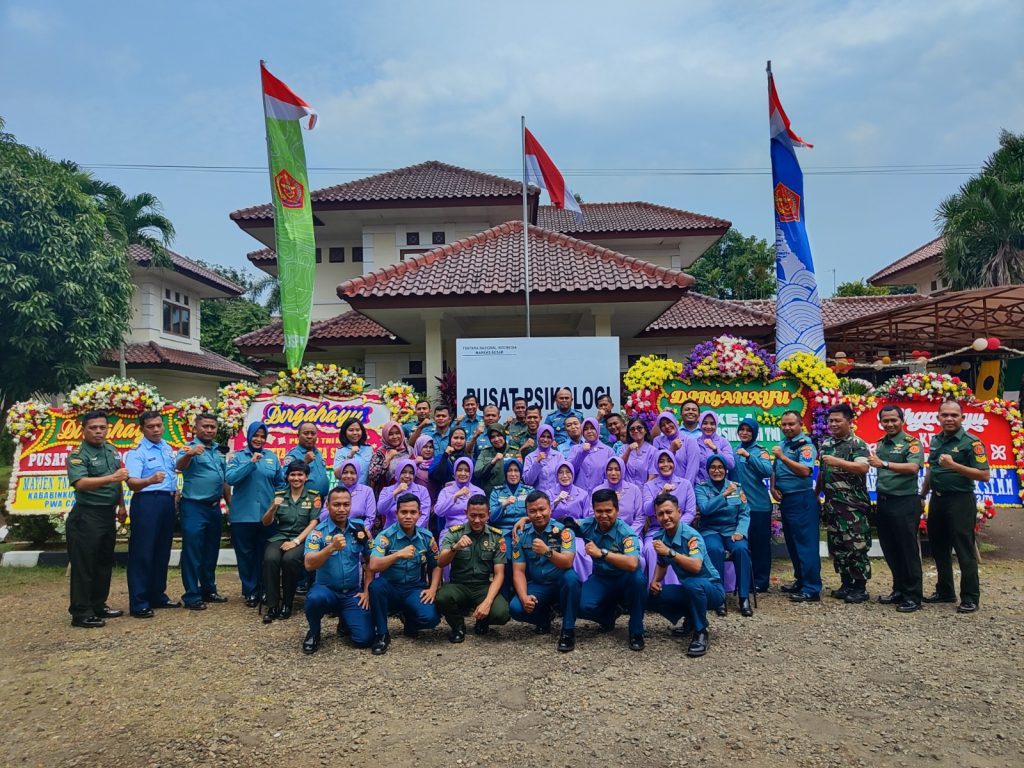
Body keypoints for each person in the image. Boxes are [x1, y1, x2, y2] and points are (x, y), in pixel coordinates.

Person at [920, 399, 990, 613]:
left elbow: (984, 475)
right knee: (939, 547)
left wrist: (954, 465)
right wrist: (922, 494)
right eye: (945, 415)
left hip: (960, 500)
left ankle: (970, 597)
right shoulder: (936, 440)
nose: (949, 419)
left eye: (954, 415)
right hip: (938, 500)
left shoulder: (972, 442)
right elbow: (932, 470)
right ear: (938, 417)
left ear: (962, 418)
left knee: (963, 549)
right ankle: (945, 591)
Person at [65, 410, 127, 628]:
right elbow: (80, 483)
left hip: (107, 513)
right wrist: (112, 477)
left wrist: (121, 505)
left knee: (103, 562)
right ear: (83, 430)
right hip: (86, 515)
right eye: (93, 427)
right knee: (85, 565)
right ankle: (81, 612)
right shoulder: (77, 454)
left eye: (102, 427)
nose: (98, 431)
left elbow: (117, 481)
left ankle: (98, 604)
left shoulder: (111, 450)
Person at [648, 493, 725, 657]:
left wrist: (670, 552)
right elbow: (662, 564)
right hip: (690, 588)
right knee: (652, 594)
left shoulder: (692, 536)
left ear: (679, 512)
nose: (665, 517)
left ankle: (701, 632)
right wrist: (655, 581)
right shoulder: (659, 537)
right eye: (660, 514)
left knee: (692, 583)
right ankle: (691, 618)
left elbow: (696, 566)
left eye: (669, 512)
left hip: (712, 590)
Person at [301, 486, 374, 654]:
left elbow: (372, 561)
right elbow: (309, 564)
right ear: (327, 505)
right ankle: (314, 631)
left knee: (364, 639)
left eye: (346, 504)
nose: (342, 509)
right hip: (326, 590)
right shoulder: (318, 532)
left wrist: (367, 590)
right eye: (337, 504)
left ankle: (345, 620)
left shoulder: (360, 529)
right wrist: (330, 548)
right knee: (314, 599)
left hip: (352, 593)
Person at [367, 494, 442, 655]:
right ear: (396, 514)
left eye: (413, 512)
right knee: (376, 587)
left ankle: (409, 620)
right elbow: (373, 565)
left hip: (414, 588)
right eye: (404, 512)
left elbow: (437, 565)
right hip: (390, 587)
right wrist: (397, 555)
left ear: (419, 514)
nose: (408, 516)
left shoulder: (426, 537)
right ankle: (382, 633)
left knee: (431, 619)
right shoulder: (386, 536)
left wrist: (433, 589)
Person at [867, 405, 925, 612]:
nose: (890, 424)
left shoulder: (912, 443)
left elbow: (913, 468)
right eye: (886, 420)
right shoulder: (882, 444)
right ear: (881, 422)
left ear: (902, 420)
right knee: (890, 549)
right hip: (884, 502)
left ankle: (913, 596)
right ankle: (899, 589)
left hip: (904, 502)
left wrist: (884, 464)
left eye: (894, 420)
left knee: (907, 550)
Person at [508, 491, 581, 652]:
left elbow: (568, 562)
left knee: (572, 579)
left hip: (560, 581)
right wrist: (524, 596)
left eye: (542, 509)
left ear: (550, 509)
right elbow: (518, 571)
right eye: (532, 511)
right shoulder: (521, 535)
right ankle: (544, 619)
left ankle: (568, 631)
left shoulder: (563, 531)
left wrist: (547, 552)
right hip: (539, 585)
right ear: (527, 513)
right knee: (516, 608)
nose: (538, 514)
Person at [125, 410, 180, 618]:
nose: (156, 430)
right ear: (142, 429)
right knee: (143, 552)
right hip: (147, 501)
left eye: (159, 425)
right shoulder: (137, 452)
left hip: (166, 501)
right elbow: (132, 483)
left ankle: (157, 594)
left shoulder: (166, 447)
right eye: (151, 426)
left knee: (161, 551)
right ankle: (139, 602)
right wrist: (149, 480)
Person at [575, 489, 646, 651]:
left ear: (617, 510)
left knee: (639, 580)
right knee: (580, 605)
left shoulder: (626, 533)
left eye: (609, 511)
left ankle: (636, 631)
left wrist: (602, 553)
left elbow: (633, 563)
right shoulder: (588, 525)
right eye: (599, 511)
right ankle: (609, 615)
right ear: (593, 511)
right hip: (601, 577)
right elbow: (562, 523)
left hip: (625, 577)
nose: (604, 515)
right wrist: (525, 519)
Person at [435, 496, 511, 641]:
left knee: (502, 613)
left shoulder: (496, 537)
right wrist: (455, 548)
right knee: (442, 597)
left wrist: (487, 603)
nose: (477, 520)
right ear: (466, 513)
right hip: (459, 585)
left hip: (482, 586)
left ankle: (482, 620)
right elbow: (441, 563)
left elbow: (499, 574)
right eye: (473, 515)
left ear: (488, 514)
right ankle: (458, 627)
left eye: (482, 516)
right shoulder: (455, 533)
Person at [818, 403, 872, 604]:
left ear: (849, 421)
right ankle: (846, 582)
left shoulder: (857, 444)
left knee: (855, 546)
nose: (833, 424)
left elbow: (862, 467)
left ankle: (860, 587)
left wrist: (838, 462)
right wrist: (817, 494)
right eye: (830, 420)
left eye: (837, 420)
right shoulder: (826, 444)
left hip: (852, 506)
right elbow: (824, 473)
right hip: (833, 506)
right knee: (838, 546)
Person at [176, 413, 231, 611]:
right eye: (205, 426)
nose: (209, 430)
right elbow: (178, 467)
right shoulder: (187, 447)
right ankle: (191, 595)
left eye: (212, 427)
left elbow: (223, 479)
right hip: (193, 506)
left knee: (210, 551)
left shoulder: (218, 450)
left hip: (214, 507)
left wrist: (230, 504)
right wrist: (190, 454)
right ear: (196, 428)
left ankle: (209, 589)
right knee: (193, 551)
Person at [225, 421, 282, 608]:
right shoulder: (237, 457)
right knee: (246, 555)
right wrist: (250, 463)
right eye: (255, 435)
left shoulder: (272, 458)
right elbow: (231, 478)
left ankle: (266, 590)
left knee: (266, 555)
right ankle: (250, 591)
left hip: (267, 516)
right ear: (249, 436)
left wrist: (278, 503)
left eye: (262, 436)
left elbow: (280, 483)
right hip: (243, 516)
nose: (259, 439)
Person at [771, 410, 820, 604]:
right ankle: (801, 580)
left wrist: (783, 457)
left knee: (805, 544)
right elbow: (775, 469)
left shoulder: (805, 445)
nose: (787, 428)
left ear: (800, 424)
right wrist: (773, 487)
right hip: (786, 499)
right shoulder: (783, 444)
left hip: (802, 499)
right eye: (784, 424)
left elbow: (805, 471)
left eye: (791, 424)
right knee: (792, 543)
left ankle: (812, 588)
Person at [261, 461, 320, 623]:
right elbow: (266, 522)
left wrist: (295, 541)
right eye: (292, 474)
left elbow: (314, 523)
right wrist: (273, 507)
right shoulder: (279, 494)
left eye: (300, 474)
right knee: (270, 558)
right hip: (280, 537)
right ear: (287, 477)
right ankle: (273, 606)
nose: (296, 478)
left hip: (302, 539)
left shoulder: (314, 496)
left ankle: (287, 604)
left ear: (306, 477)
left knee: (289, 560)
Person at [695, 455, 754, 617]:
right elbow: (705, 509)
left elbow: (744, 513)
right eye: (713, 467)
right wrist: (724, 495)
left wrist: (740, 532)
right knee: (714, 549)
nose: (717, 470)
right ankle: (719, 597)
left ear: (726, 470)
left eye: (720, 467)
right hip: (710, 530)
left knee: (741, 550)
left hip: (732, 530)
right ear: (708, 470)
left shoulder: (737, 487)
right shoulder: (701, 488)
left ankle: (743, 597)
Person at [731, 418, 774, 593]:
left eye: (749, 430)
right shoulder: (734, 451)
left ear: (754, 433)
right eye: (742, 429)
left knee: (760, 545)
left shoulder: (760, 451)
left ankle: (761, 581)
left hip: (759, 506)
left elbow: (767, 471)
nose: (745, 433)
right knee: (742, 544)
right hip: (739, 507)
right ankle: (744, 580)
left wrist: (748, 457)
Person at [642, 449, 697, 584]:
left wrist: (676, 528)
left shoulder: (685, 484)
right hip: (656, 531)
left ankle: (678, 591)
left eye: (669, 461)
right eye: (661, 461)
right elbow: (647, 510)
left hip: (681, 531)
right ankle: (655, 589)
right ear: (656, 465)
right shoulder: (649, 486)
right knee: (650, 548)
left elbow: (690, 512)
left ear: (674, 463)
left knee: (678, 547)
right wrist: (661, 493)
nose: (665, 464)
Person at [591, 457, 645, 537]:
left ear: (622, 470)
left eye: (617, 469)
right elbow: (592, 514)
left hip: (630, 534)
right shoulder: (597, 490)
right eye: (610, 469)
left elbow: (640, 517)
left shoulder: (634, 490)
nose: (613, 473)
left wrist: (627, 534)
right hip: (604, 535)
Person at [435, 457, 485, 543]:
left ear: (471, 473)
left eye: (466, 470)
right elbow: (438, 512)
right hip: (450, 532)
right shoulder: (446, 491)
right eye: (459, 470)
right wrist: (455, 496)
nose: (463, 473)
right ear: (454, 472)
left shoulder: (479, 491)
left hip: (473, 532)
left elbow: (484, 516)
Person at [378, 460, 432, 529]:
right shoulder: (387, 490)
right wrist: (395, 493)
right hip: (391, 533)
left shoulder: (422, 491)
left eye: (411, 473)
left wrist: (412, 531)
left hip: (415, 533)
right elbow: (381, 510)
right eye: (403, 472)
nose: (407, 476)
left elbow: (424, 515)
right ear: (398, 472)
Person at [651, 411, 700, 485]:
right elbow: (656, 468)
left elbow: (692, 471)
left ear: (675, 422)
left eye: (669, 422)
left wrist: (684, 489)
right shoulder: (658, 441)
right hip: (663, 488)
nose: (667, 426)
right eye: (663, 425)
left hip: (685, 487)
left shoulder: (690, 442)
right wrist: (671, 451)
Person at [284, 422, 330, 499]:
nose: (309, 436)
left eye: (313, 434)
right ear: (298, 436)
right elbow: (285, 477)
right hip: (303, 501)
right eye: (306, 433)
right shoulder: (293, 454)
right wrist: (304, 462)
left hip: (322, 501)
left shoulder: (318, 453)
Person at [569, 418, 615, 491]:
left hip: (600, 496)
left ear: (597, 429)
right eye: (586, 429)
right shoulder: (575, 449)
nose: (589, 431)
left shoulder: (608, 451)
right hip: (579, 496)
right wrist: (582, 452)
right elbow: (570, 471)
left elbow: (611, 475)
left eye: (592, 428)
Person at [367, 420, 411, 493]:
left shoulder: (409, 450)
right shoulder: (380, 453)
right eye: (390, 434)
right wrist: (387, 460)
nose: (395, 437)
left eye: (397, 433)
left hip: (407, 494)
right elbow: (373, 477)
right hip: (386, 494)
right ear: (385, 435)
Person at [331, 459, 377, 529]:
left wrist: (360, 532)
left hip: (360, 532)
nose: (348, 476)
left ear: (358, 474)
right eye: (345, 472)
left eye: (352, 473)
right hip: (337, 530)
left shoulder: (367, 491)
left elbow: (370, 518)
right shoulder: (335, 492)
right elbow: (323, 515)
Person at [694, 411, 735, 483]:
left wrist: (715, 449)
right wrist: (699, 484)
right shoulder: (695, 443)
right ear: (700, 424)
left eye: (712, 424)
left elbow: (731, 464)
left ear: (716, 425)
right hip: (701, 487)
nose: (708, 426)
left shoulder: (723, 442)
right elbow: (692, 467)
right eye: (705, 423)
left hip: (721, 487)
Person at [333, 417, 373, 486]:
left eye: (357, 430)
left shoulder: (368, 449)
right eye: (351, 430)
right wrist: (350, 455)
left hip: (364, 492)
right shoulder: (341, 450)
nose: (355, 433)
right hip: (346, 493)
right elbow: (337, 475)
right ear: (344, 432)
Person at [522, 425, 561, 494]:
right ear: (538, 437)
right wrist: (537, 462)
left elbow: (562, 479)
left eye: (549, 437)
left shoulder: (558, 456)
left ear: (552, 439)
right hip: (537, 499)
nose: (545, 440)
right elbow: (528, 481)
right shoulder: (529, 457)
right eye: (542, 436)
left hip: (555, 498)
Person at [473, 426, 509, 495]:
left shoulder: (514, 452)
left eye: (499, 435)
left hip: (508, 494)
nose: (496, 439)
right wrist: (492, 463)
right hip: (489, 494)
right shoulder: (485, 452)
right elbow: (477, 473)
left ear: (504, 435)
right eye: (492, 437)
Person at [621, 417, 657, 486]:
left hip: (644, 490)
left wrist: (645, 492)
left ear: (645, 430)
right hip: (626, 490)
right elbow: (620, 466)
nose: (636, 431)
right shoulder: (623, 448)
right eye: (632, 429)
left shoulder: (652, 450)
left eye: (639, 428)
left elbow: (653, 476)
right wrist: (628, 450)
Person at [411, 435, 441, 502]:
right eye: (425, 447)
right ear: (419, 447)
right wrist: (415, 463)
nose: (428, 450)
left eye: (431, 447)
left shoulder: (437, 464)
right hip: (415, 504)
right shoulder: (411, 464)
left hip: (434, 505)